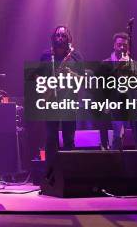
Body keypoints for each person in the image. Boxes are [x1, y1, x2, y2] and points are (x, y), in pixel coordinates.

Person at [40, 25, 83, 167]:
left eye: (63, 36)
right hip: (51, 102)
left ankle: (69, 173)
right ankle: (50, 176)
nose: (60, 38)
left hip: (68, 102)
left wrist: (71, 74)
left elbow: (83, 80)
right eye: (58, 35)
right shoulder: (46, 56)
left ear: (68, 39)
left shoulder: (76, 56)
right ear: (53, 38)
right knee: (50, 139)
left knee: (69, 139)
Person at [101, 32, 137, 150]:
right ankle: (115, 164)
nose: (122, 47)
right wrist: (119, 66)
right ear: (114, 45)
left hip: (133, 104)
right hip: (115, 105)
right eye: (119, 45)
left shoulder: (135, 64)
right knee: (117, 137)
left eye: (125, 45)